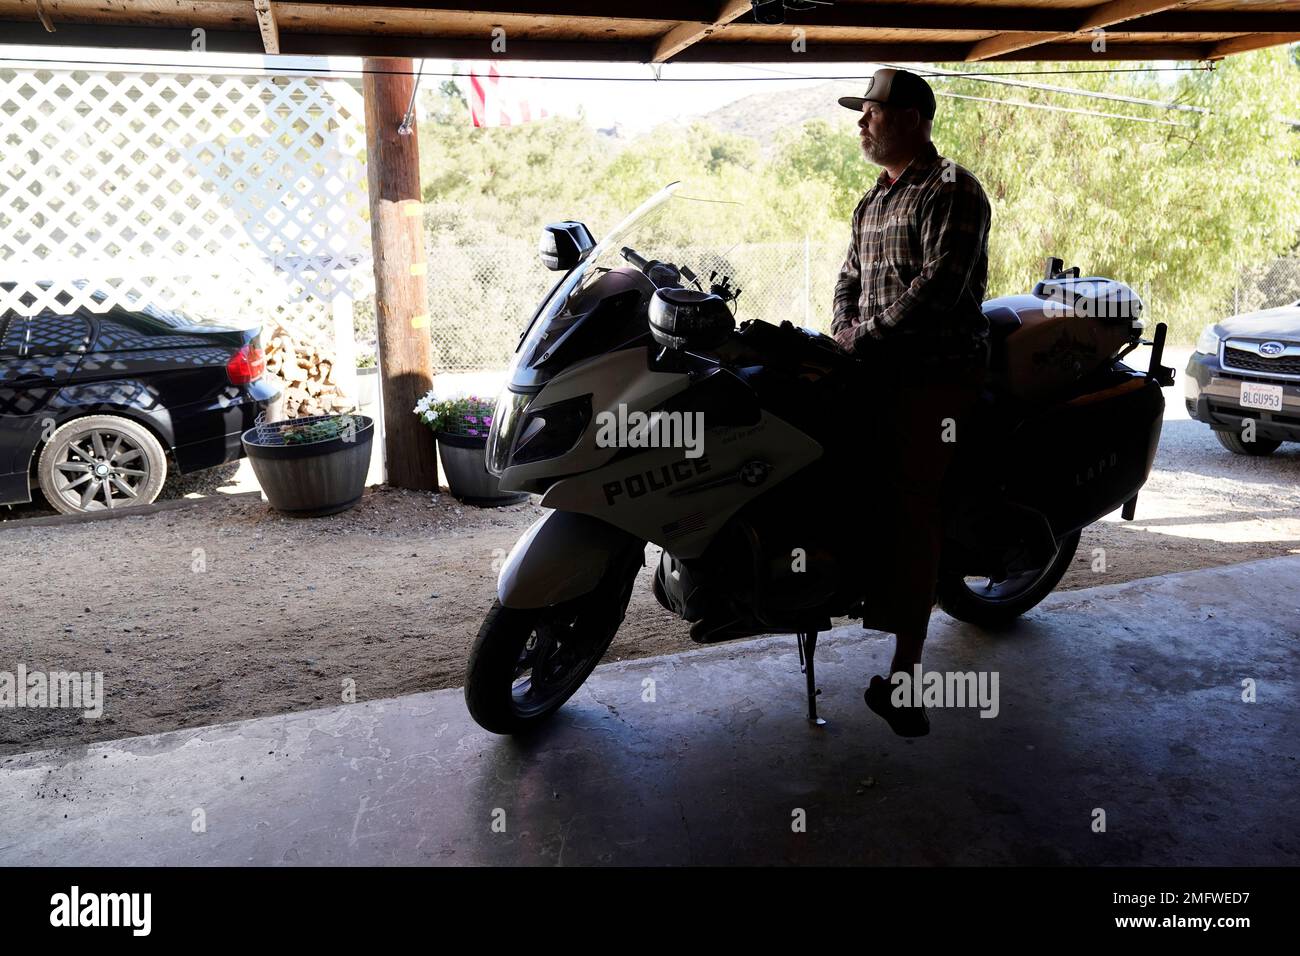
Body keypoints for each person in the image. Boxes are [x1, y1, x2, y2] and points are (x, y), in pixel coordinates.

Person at [830, 68, 992, 737]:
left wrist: (860, 337)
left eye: (873, 111)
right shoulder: (873, 198)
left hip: (933, 377)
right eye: (861, 113)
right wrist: (842, 331)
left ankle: (907, 678)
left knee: (910, 504)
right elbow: (847, 277)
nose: (862, 123)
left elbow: (938, 292)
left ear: (915, 119)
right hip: (871, 367)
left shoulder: (952, 190)